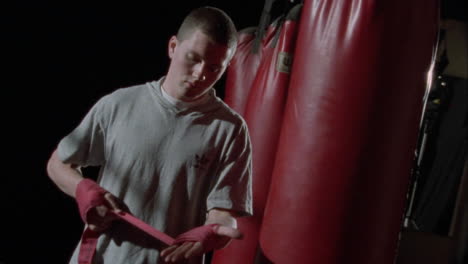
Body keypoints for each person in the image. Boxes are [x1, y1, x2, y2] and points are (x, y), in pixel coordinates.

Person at [46, 6, 253, 264]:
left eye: (214, 68)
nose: (200, 74)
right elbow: (58, 163)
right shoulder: (118, 104)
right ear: (173, 46)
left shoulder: (230, 130)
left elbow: (222, 213)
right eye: (193, 58)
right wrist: (83, 189)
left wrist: (213, 233)